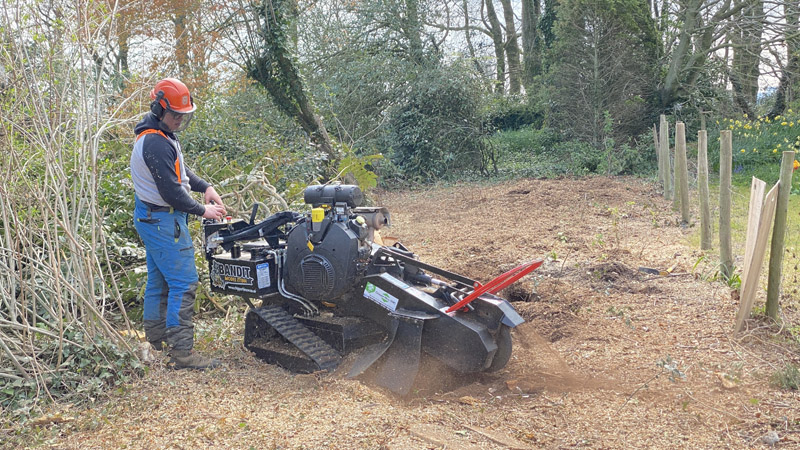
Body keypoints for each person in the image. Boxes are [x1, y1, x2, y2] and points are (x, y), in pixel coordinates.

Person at [130, 78, 227, 370]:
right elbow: (171, 191)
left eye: (183, 116)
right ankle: (182, 353)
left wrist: (205, 187)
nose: (179, 121)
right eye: (175, 115)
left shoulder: (159, 134)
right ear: (160, 108)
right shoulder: (156, 143)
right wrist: (203, 211)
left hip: (152, 216)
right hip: (162, 218)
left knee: (159, 279)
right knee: (184, 282)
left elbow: (180, 172)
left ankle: (156, 340)